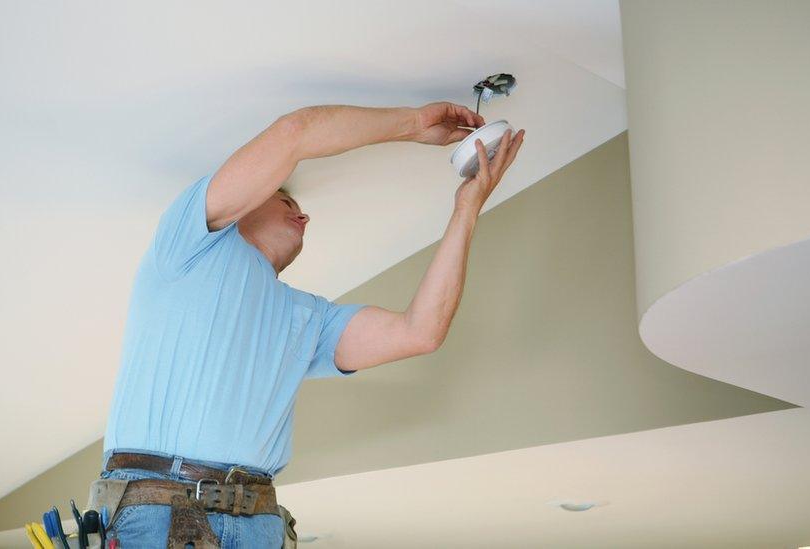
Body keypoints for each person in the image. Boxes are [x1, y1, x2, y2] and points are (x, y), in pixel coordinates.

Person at [96, 102, 525, 548]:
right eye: (286, 201)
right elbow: (295, 132)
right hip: (158, 507)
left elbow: (421, 331)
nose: (303, 216)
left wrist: (467, 209)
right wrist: (413, 124)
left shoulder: (309, 319)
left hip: (257, 519)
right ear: (244, 205)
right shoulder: (189, 244)